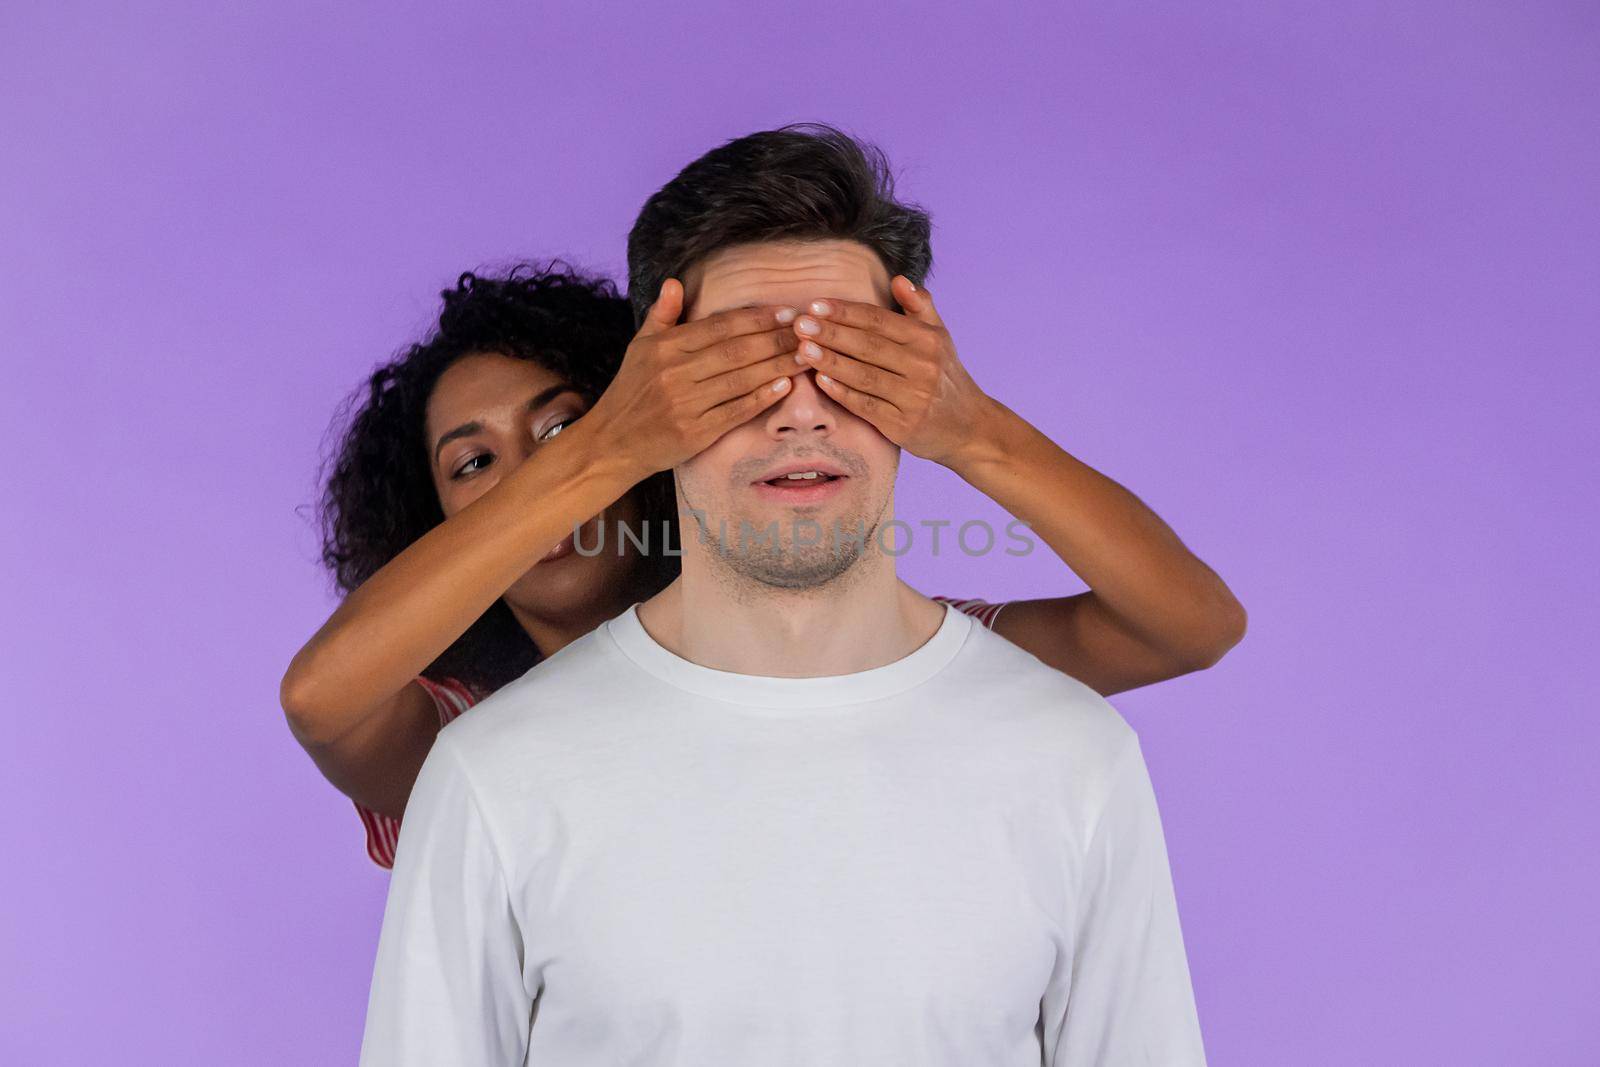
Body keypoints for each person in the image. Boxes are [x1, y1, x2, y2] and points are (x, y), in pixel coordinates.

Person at [357, 124, 1214, 1065]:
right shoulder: (486, 773)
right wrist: (604, 443)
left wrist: (974, 430)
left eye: (855, 362)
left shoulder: (1074, 757)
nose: (801, 406)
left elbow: (1191, 622)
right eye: (738, 368)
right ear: (656, 399)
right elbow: (326, 698)